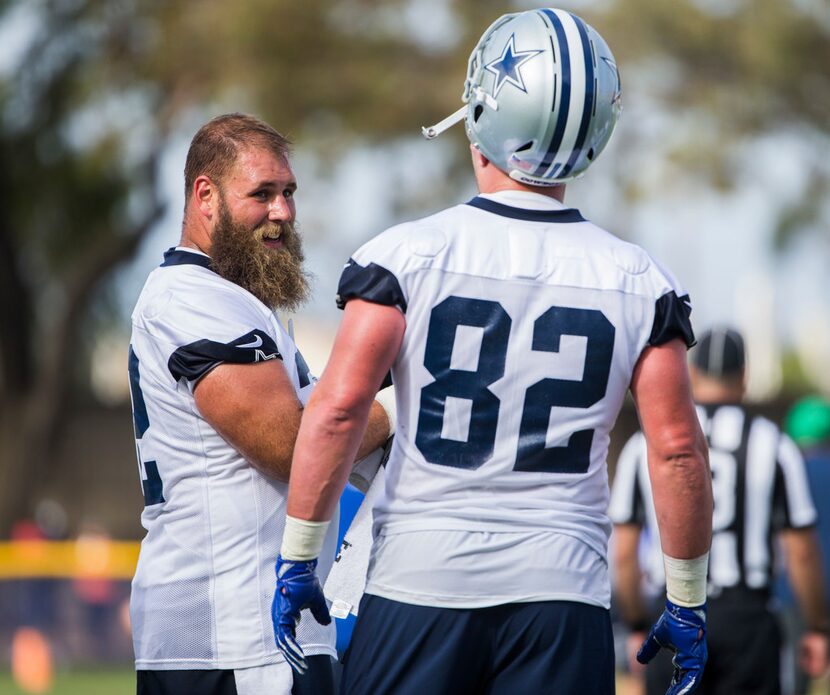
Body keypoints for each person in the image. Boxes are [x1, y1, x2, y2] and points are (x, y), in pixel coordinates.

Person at [274, 8, 713, 695]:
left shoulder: (408, 255)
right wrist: (686, 595)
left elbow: (337, 410)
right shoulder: (638, 281)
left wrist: (299, 555)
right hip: (562, 588)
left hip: (422, 579)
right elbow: (678, 447)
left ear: (483, 114)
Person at [127, 113, 392, 695]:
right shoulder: (192, 298)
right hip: (232, 636)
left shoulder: (241, 304)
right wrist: (401, 406)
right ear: (206, 196)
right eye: (262, 194)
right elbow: (294, 446)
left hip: (262, 632)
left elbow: (335, 443)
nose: (283, 213)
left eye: (289, 193)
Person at [609, 327, 829, 695]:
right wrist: (817, 626)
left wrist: (635, 623)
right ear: (743, 377)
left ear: (692, 373)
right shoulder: (773, 442)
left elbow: (625, 553)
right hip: (748, 618)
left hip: (674, 613)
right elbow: (801, 551)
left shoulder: (644, 441)